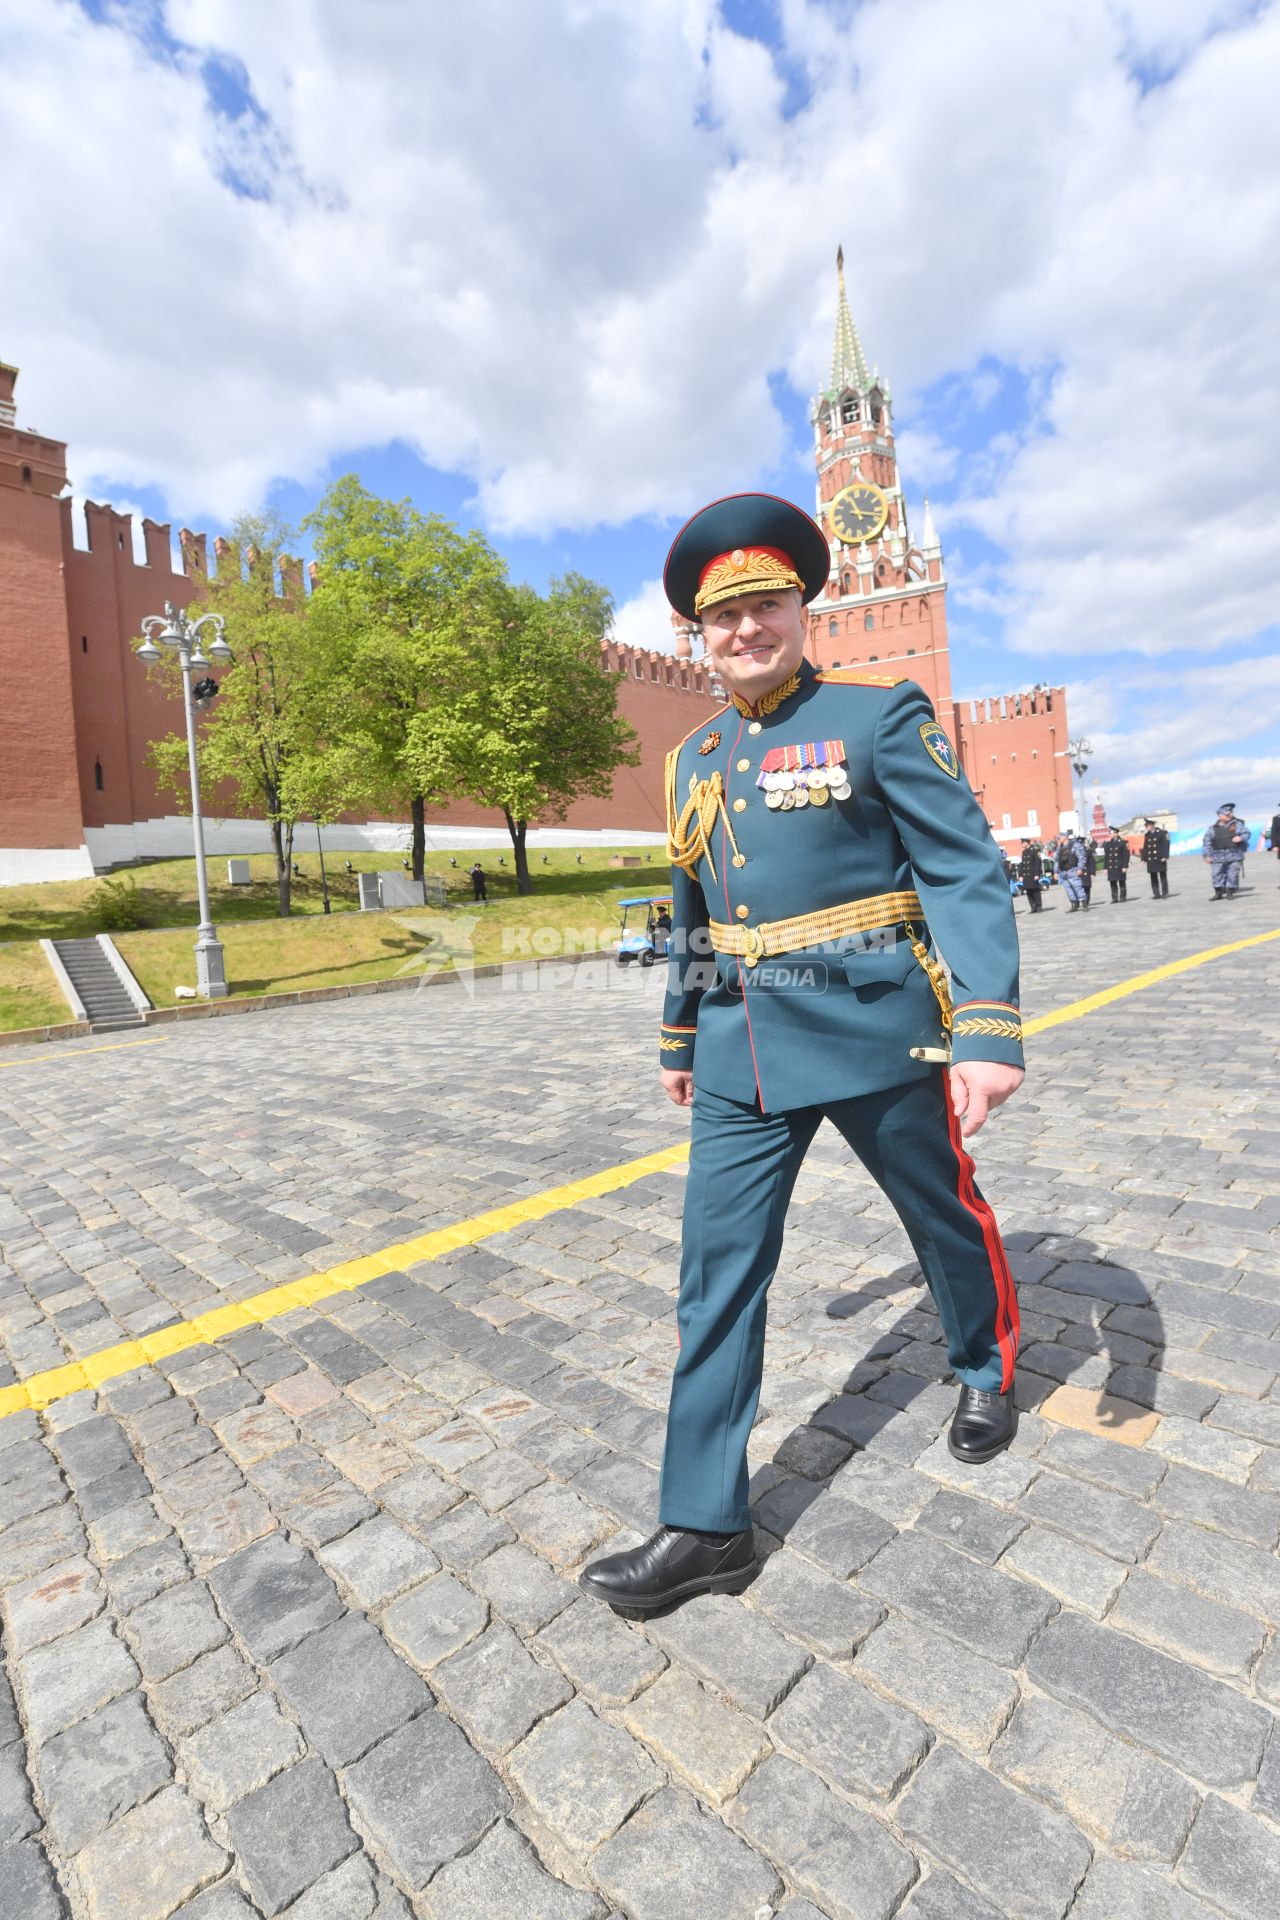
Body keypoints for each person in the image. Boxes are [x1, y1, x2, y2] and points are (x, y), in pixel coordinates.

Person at [579, 492, 1024, 1617]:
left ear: (798, 609)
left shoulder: (876, 719)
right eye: (720, 619)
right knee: (712, 1276)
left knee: (941, 1218)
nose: (743, 632)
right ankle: (703, 1523)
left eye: (763, 606)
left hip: (875, 1025)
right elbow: (691, 906)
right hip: (740, 1049)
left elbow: (962, 870)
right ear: (697, 634)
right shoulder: (691, 760)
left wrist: (984, 1026)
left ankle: (981, 1366)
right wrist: (679, 1034)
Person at [1203, 803, 1249, 898]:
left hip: (1234, 855)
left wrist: (1240, 838)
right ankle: (1218, 893)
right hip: (1217, 856)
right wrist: (1206, 856)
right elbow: (1207, 843)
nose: (1230, 816)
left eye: (1230, 813)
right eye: (1227, 814)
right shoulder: (1212, 828)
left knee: (1233, 873)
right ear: (1220, 815)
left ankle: (1230, 892)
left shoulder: (1237, 824)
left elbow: (1246, 834)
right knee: (1216, 874)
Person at [1057, 834, 1088, 911]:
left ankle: (1084, 904)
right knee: (1068, 890)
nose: (1059, 838)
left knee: (1078, 887)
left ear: (1065, 837)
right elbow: (1057, 860)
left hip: (1072, 870)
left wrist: (1080, 868)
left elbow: (1081, 857)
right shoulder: (1059, 847)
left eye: (1060, 837)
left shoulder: (1075, 845)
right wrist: (1055, 871)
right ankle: (1074, 905)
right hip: (1063, 872)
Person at [1140, 819, 1170, 898]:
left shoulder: (1162, 833)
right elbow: (1145, 847)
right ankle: (1156, 893)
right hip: (1151, 860)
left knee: (1162, 876)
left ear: (1152, 825)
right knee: (1153, 877)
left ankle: (1164, 892)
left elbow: (1166, 845)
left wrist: (1165, 856)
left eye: (1147, 825)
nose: (1146, 827)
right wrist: (1143, 858)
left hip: (1160, 858)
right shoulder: (1147, 835)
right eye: (1145, 826)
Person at [1102, 825, 1130, 903]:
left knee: (1121, 882)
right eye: (1109, 833)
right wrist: (1105, 868)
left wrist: (1125, 866)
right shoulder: (1108, 844)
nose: (1110, 834)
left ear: (1116, 833)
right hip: (1111, 866)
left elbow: (1126, 855)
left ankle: (1123, 897)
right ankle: (1114, 898)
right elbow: (1107, 857)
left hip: (1120, 866)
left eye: (1111, 833)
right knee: (1112, 882)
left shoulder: (1123, 843)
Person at [1018, 839, 1043, 912]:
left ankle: (1038, 906)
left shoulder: (1034, 851)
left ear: (1027, 843)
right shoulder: (1024, 852)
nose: (1022, 844)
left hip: (1033, 875)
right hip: (1026, 876)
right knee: (1029, 892)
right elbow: (1022, 864)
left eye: (1023, 843)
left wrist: (1037, 874)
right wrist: (1021, 875)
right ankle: (1033, 907)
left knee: (1035, 891)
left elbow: (1037, 863)